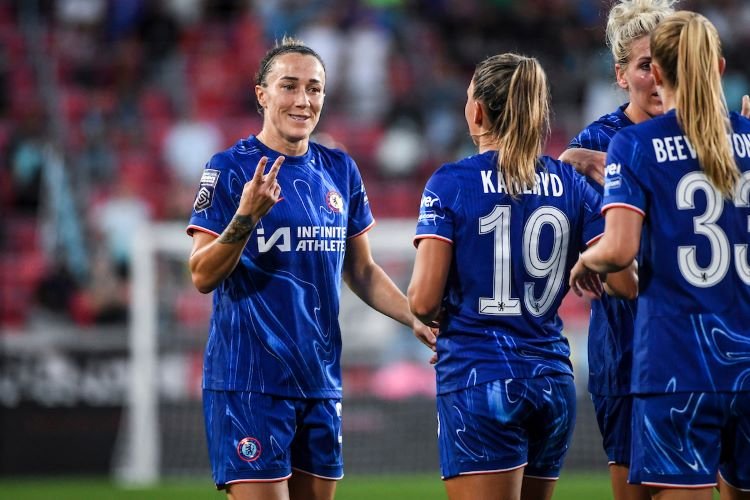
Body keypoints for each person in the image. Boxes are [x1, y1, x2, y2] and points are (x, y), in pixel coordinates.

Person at [186, 36, 436, 500]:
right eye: (289, 86)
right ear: (262, 94)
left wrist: (414, 316)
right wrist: (246, 218)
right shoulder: (229, 170)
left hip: (319, 382)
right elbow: (202, 275)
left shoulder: (339, 170)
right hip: (249, 383)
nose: (303, 100)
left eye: (315, 88)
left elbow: (360, 270)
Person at [407, 53, 635, 500]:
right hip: (552, 382)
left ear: (477, 110)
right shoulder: (571, 184)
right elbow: (626, 283)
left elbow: (422, 302)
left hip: (479, 380)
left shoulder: (450, 182)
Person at [569, 11, 750, 499]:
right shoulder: (746, 136)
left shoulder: (633, 145)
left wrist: (588, 261)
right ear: (717, 68)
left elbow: (622, 258)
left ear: (664, 73)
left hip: (673, 361)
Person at [560, 2, 676, 499]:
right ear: (620, 74)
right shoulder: (595, 140)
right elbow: (609, 265)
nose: (657, 77)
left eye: (667, 62)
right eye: (644, 64)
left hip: (704, 347)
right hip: (628, 352)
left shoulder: (712, 136)